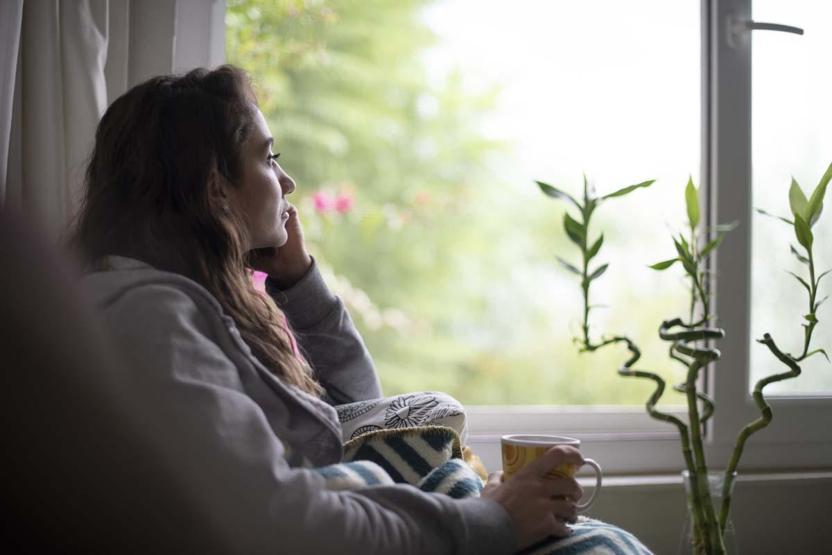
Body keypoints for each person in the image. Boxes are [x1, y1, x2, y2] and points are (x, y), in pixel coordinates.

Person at [67, 65, 585, 553]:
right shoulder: (152, 321)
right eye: (268, 158)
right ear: (215, 188)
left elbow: (347, 429)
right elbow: (281, 518)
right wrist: (493, 522)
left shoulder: (180, 306)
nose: (287, 182)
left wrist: (299, 283)